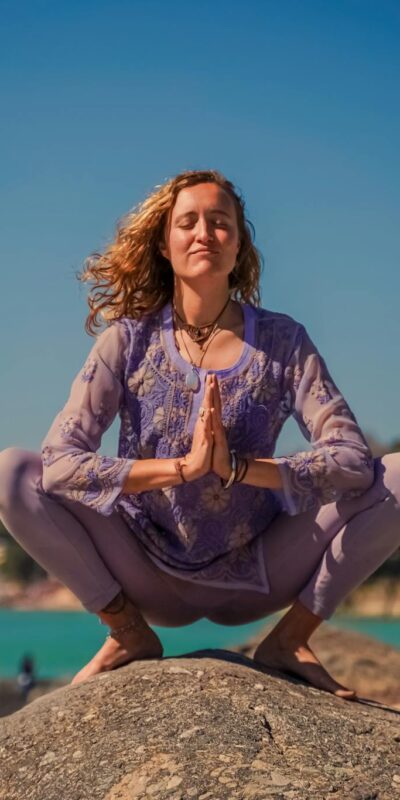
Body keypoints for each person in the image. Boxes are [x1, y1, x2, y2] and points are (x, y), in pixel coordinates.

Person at [0, 169, 399, 701]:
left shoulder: (282, 341)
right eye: (187, 222)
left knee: (397, 476)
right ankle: (127, 631)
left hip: (258, 568)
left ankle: (291, 639)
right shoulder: (128, 340)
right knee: (11, 472)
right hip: (145, 567)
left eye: (220, 222)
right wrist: (182, 469)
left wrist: (238, 469)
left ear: (239, 245)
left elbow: (351, 458)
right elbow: (58, 463)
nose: (204, 233)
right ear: (166, 245)